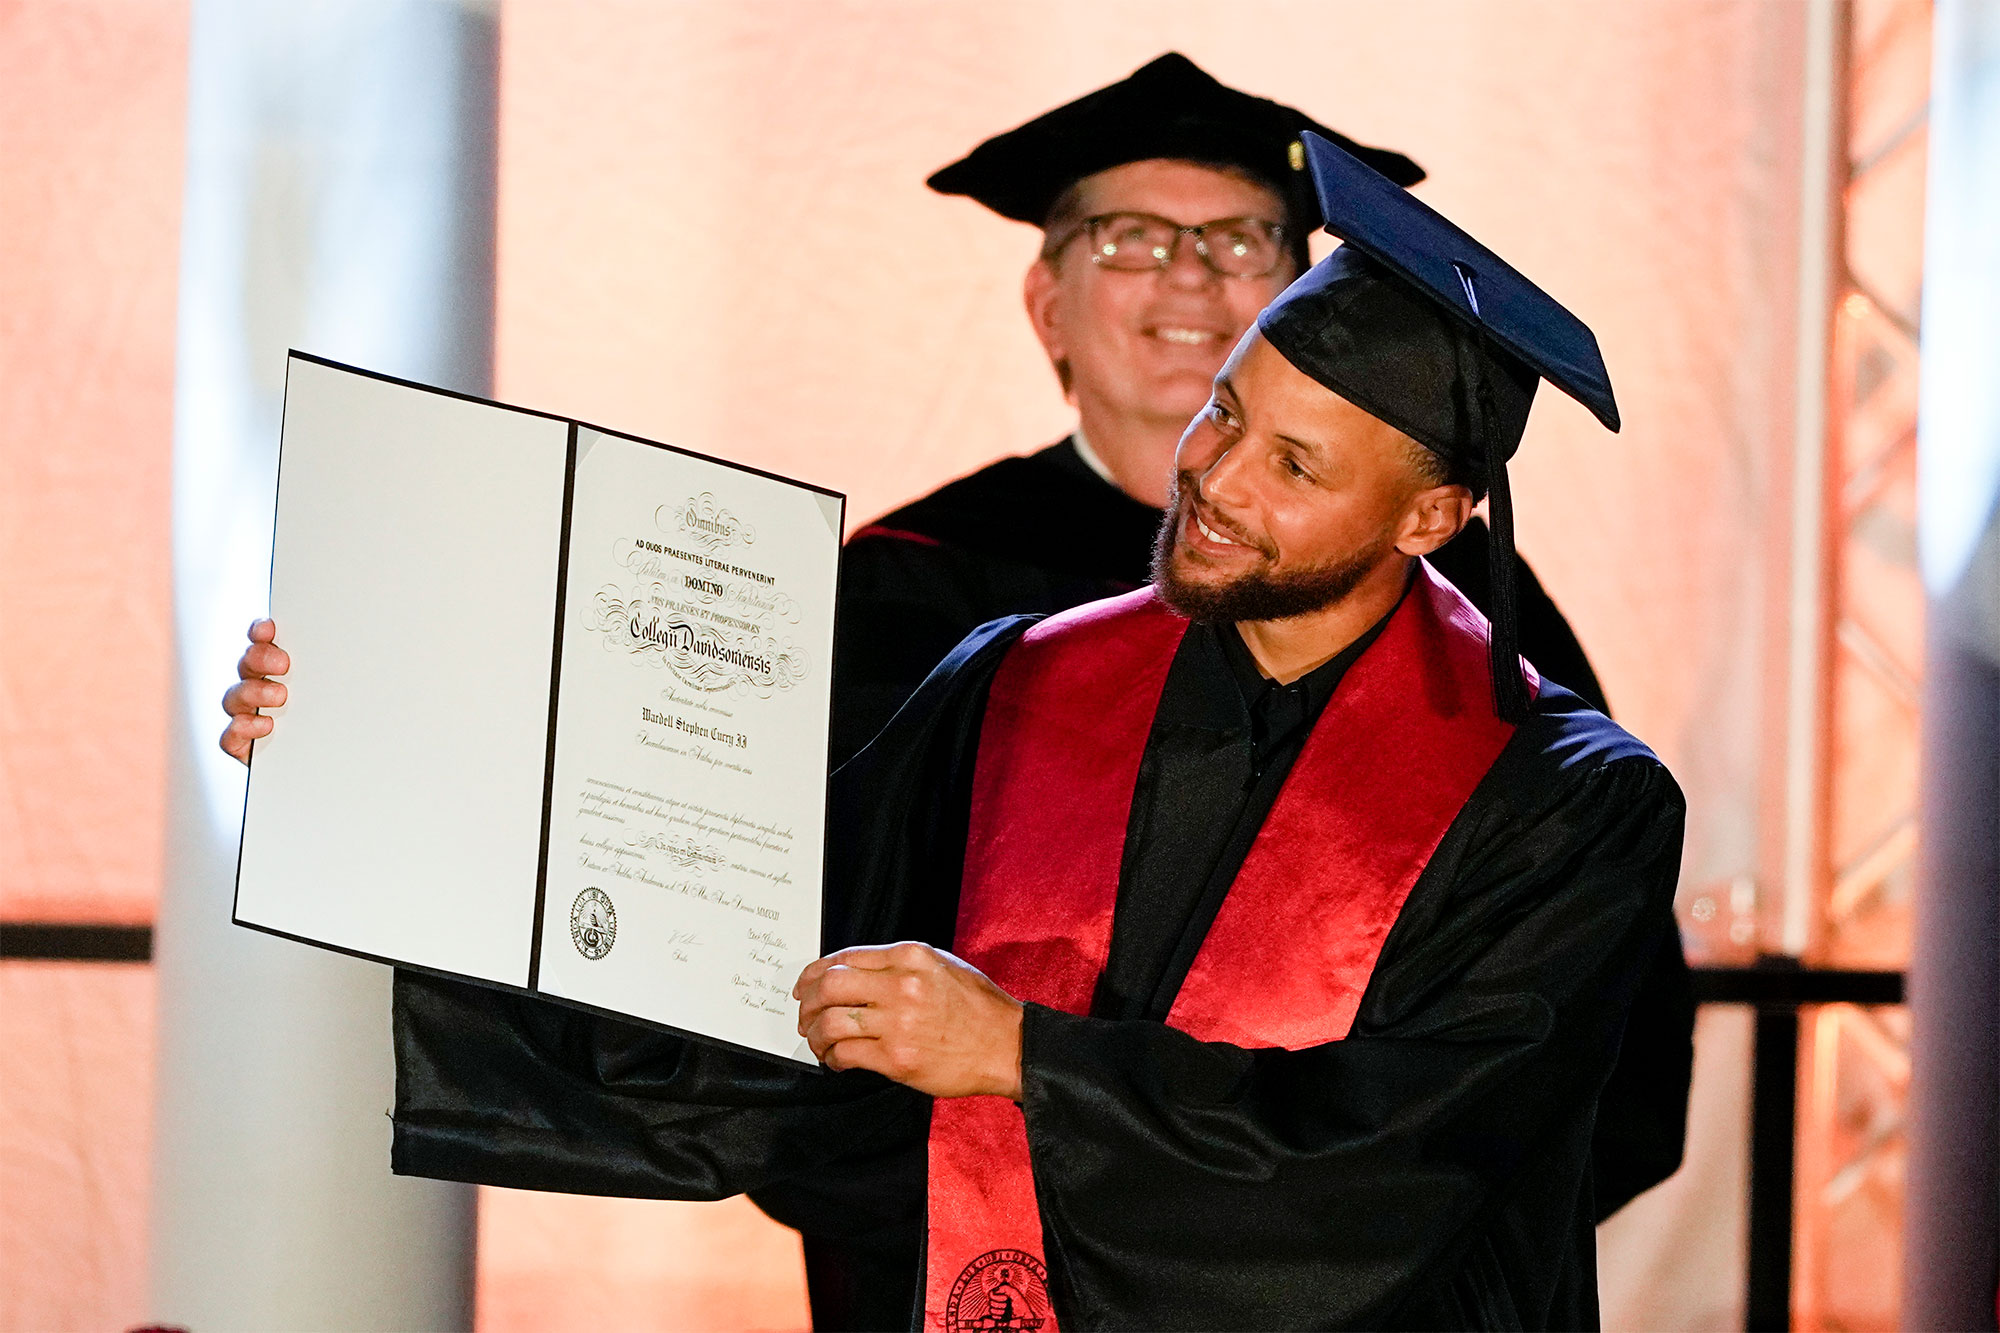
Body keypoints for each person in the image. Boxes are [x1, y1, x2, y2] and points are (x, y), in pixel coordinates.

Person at [223, 135, 1688, 1328]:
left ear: (1429, 518)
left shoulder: (1566, 801)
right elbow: (749, 960)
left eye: (1295, 462)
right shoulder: (1019, 680)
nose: (1217, 476)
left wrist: (1024, 1061)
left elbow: (1416, 1154)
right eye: (1228, 413)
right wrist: (378, 752)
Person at [833, 52, 1608, 767]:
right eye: (1131, 238)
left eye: (1240, 243)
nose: (1191, 279)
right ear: (1047, 307)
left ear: (1307, 303)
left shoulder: (1458, 582)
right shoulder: (911, 577)